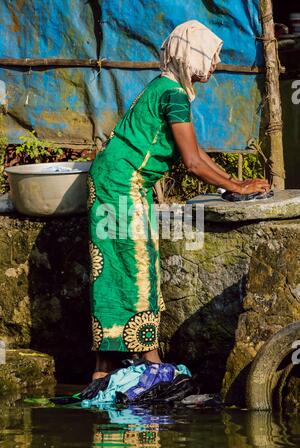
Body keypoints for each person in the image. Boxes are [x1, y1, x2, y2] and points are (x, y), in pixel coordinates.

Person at [87, 20, 270, 381]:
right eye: (210, 57)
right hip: (123, 185)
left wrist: (232, 184)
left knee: (113, 267)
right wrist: (240, 186)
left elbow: (196, 153)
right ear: (190, 57)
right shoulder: (172, 94)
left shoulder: (164, 87)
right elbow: (194, 161)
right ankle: (151, 364)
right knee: (137, 266)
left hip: (112, 180)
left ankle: (103, 371)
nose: (215, 65)